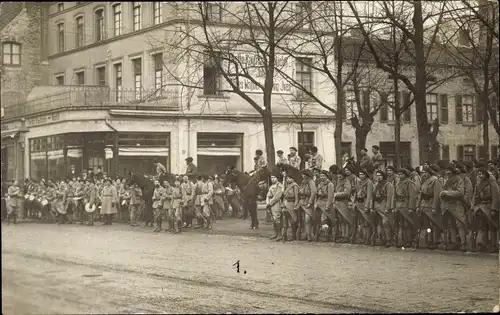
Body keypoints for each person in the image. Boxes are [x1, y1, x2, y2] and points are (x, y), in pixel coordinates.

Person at [470, 168, 499, 253]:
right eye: (479, 174)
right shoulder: (478, 184)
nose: (480, 176)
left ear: (486, 175)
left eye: (482, 174)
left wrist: (494, 209)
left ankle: (494, 245)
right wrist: (473, 206)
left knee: (492, 226)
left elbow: (495, 197)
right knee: (482, 227)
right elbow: (474, 196)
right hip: (480, 207)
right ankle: (483, 244)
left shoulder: (492, 184)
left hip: (489, 206)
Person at [440, 165, 467, 251]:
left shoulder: (459, 179)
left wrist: (447, 193)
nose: (447, 172)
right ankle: (454, 243)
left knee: (460, 224)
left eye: (449, 170)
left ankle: (463, 243)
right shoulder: (444, 179)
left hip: (456, 204)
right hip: (446, 204)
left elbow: (460, 192)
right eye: (446, 170)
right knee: (450, 224)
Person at [417, 166, 443, 250]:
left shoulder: (435, 181)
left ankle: (435, 241)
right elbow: (421, 194)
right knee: (427, 225)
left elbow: (437, 195)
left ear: (429, 173)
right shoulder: (424, 181)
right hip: (424, 205)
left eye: (425, 172)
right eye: (423, 173)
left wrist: (435, 207)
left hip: (431, 204)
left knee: (434, 224)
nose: (424, 174)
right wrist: (418, 205)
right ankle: (429, 240)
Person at [393, 168, 418, 248]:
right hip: (398, 205)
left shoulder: (409, 183)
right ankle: (403, 240)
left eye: (401, 174)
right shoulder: (397, 182)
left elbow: (412, 196)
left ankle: (409, 240)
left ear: (405, 175)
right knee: (401, 224)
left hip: (406, 205)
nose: (399, 176)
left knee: (408, 224)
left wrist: (411, 207)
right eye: (398, 174)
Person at [372, 170, 394, 247]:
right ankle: (383, 239)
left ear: (383, 176)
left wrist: (388, 207)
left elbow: (390, 197)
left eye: (380, 175)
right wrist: (372, 207)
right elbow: (373, 197)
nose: (378, 177)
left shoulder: (388, 185)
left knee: (386, 223)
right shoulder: (375, 185)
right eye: (377, 175)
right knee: (379, 224)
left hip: (384, 206)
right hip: (377, 206)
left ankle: (389, 240)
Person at [314, 170, 335, 242]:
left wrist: (327, 206)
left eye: (323, 176)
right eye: (321, 176)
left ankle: (326, 236)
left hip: (325, 203)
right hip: (319, 204)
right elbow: (316, 195)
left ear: (327, 176)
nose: (322, 177)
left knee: (324, 220)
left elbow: (330, 196)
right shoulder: (320, 184)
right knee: (319, 220)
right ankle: (319, 236)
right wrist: (316, 203)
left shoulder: (330, 184)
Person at [355, 169, 374, 245]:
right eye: (359, 174)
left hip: (365, 202)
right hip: (359, 203)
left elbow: (369, 195)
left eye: (362, 174)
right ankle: (364, 237)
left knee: (367, 221)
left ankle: (368, 238)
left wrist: (367, 206)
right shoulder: (359, 182)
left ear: (366, 175)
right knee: (362, 222)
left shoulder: (369, 183)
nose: (361, 176)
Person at [334, 170, 353, 243]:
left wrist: (337, 194)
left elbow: (347, 193)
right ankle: (343, 235)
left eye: (340, 174)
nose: (339, 176)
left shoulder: (346, 182)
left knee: (346, 220)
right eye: (338, 174)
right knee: (341, 220)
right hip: (338, 203)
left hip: (344, 203)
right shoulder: (338, 181)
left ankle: (347, 236)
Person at [297, 170, 316, 241]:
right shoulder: (303, 182)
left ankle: (310, 235)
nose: (303, 176)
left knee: (308, 219)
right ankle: (305, 234)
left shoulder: (311, 181)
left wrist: (310, 202)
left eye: (304, 175)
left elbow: (313, 192)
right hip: (301, 202)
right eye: (302, 175)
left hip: (308, 202)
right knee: (303, 219)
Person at [281, 175, 300, 241]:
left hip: (292, 203)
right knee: (286, 219)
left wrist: (295, 205)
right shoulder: (287, 185)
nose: (288, 179)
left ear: (293, 179)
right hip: (286, 203)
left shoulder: (295, 186)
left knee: (293, 220)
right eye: (287, 178)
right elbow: (284, 196)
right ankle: (285, 236)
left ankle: (293, 236)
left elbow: (297, 197)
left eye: (289, 178)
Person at [266, 174, 284, 241]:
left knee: (277, 218)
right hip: (271, 203)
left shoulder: (279, 186)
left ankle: (279, 234)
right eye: (271, 178)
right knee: (274, 219)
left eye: (274, 177)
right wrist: (267, 203)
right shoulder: (271, 186)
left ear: (277, 178)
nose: (272, 179)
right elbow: (268, 195)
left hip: (276, 203)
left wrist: (270, 203)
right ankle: (275, 233)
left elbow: (278, 196)